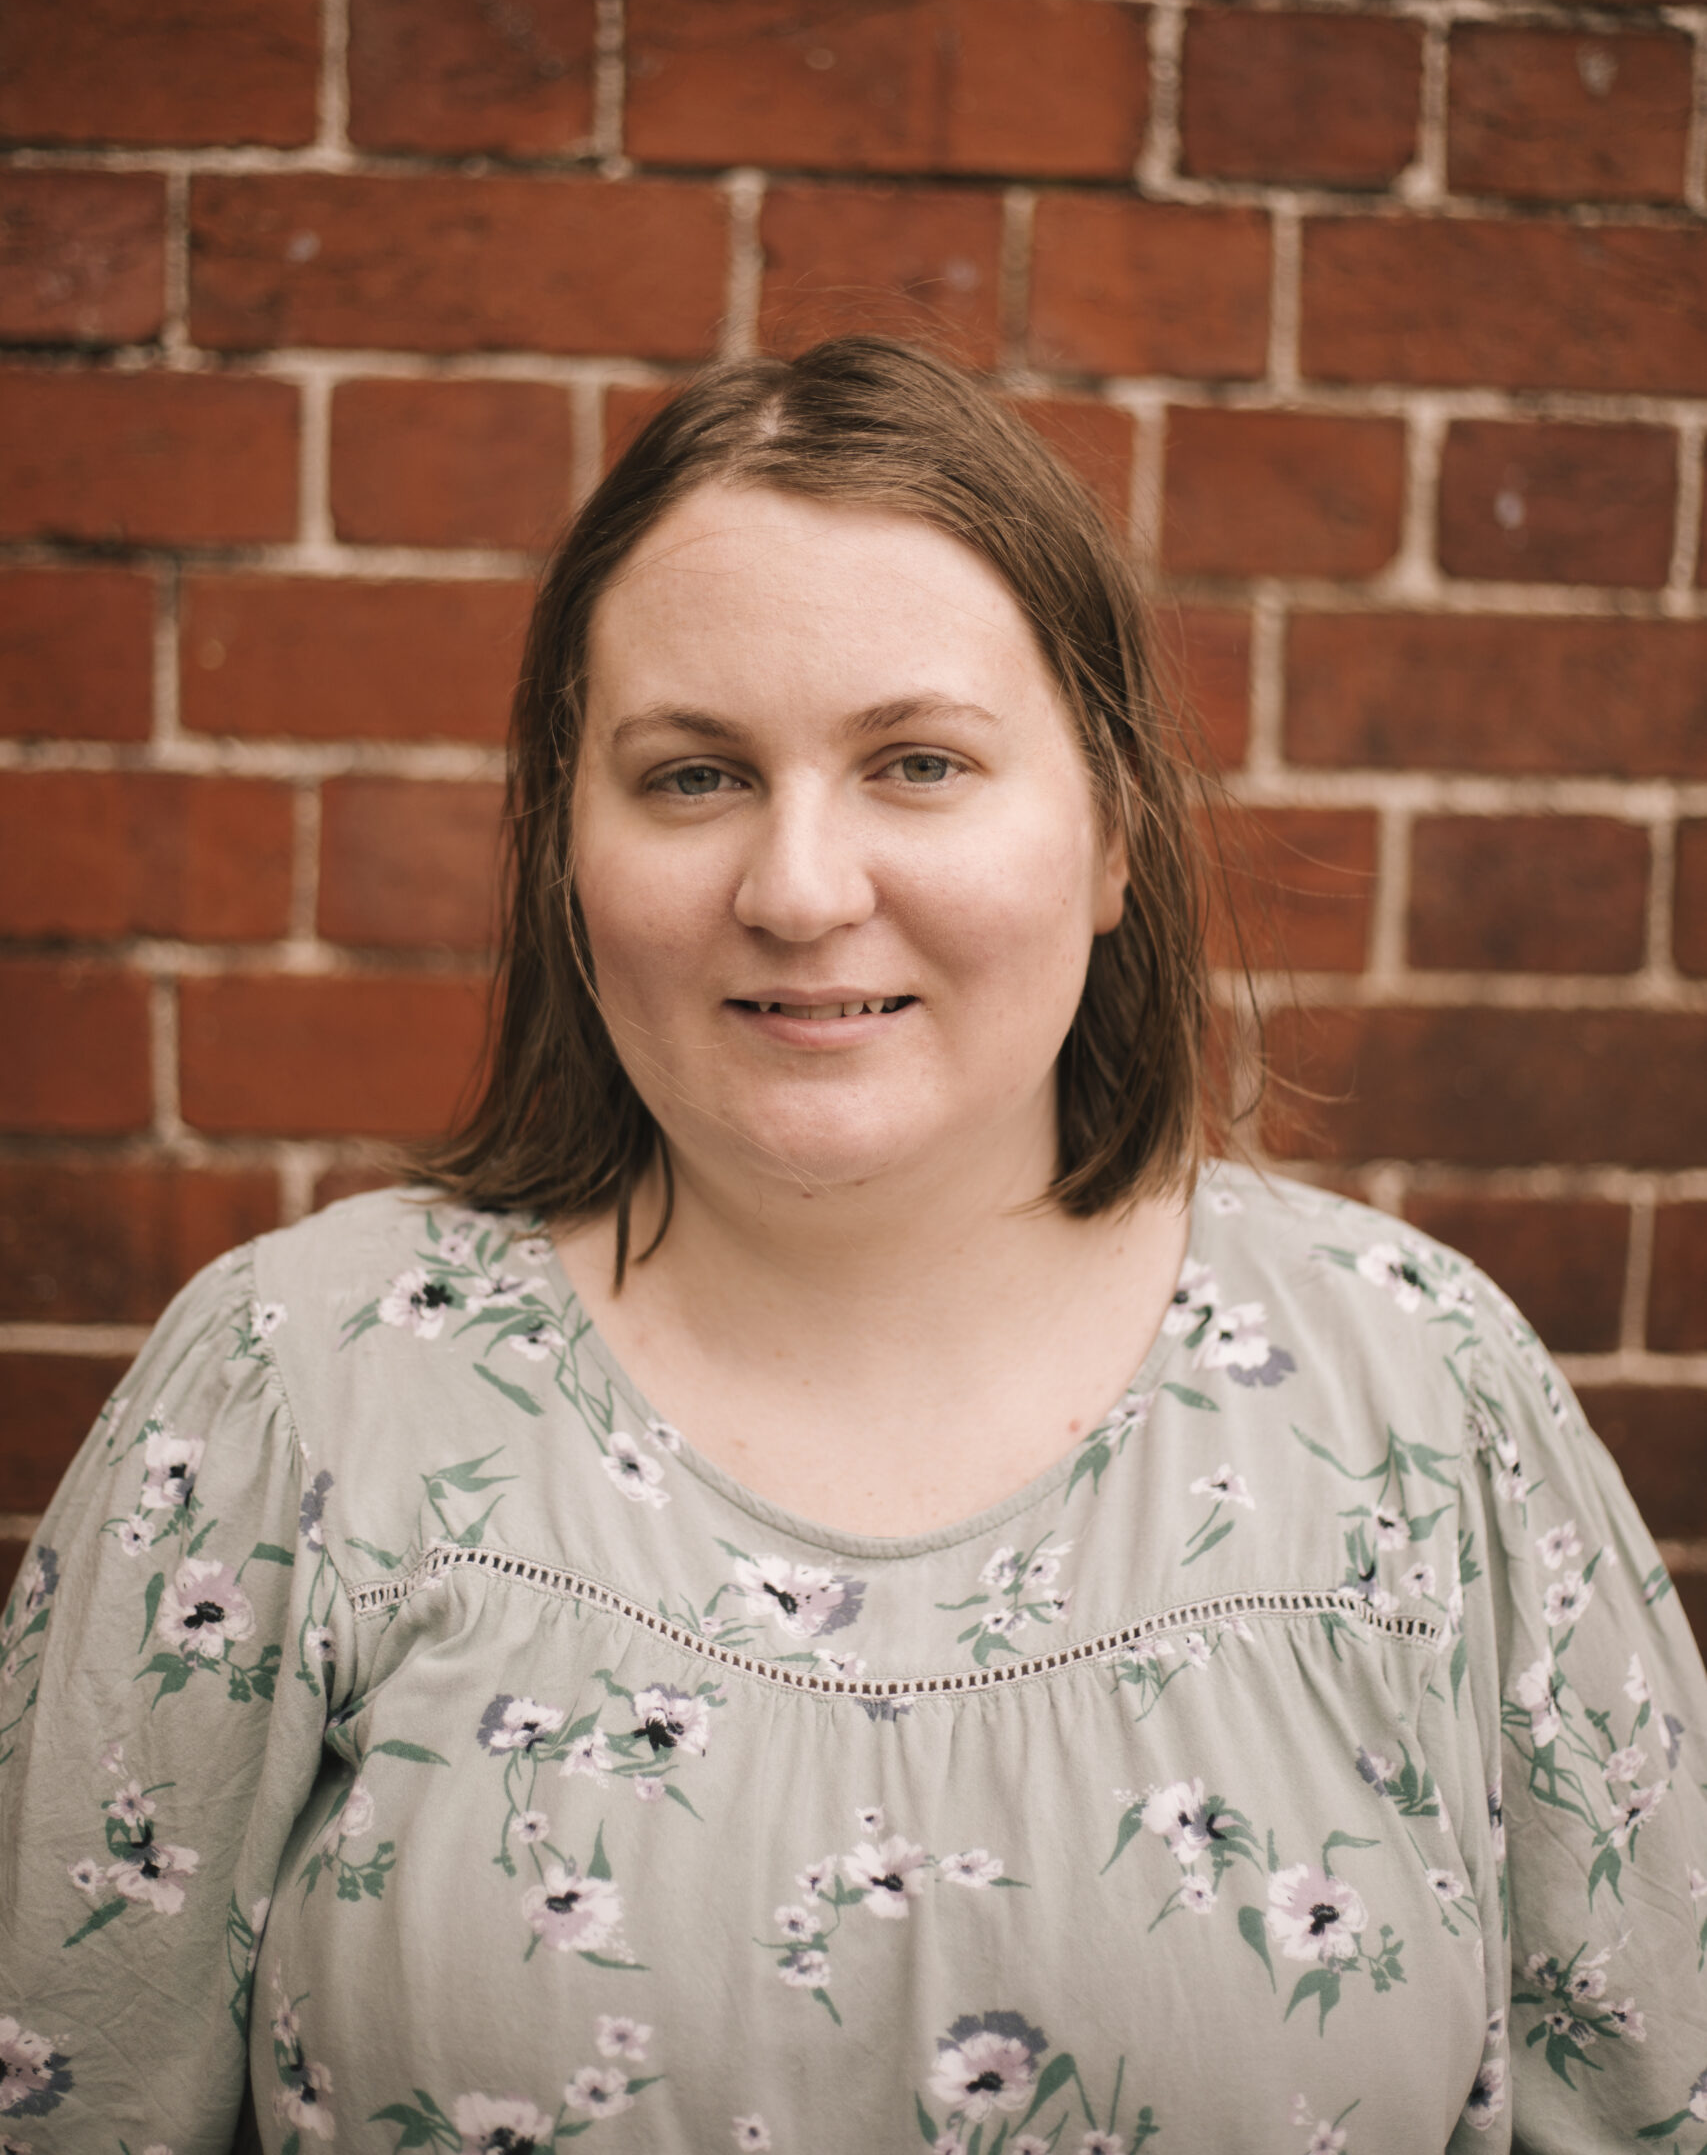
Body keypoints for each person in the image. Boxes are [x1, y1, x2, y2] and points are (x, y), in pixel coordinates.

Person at [2, 337, 1703, 2155]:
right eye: (692, 777)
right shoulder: (294, 1396)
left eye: (916, 762)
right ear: (565, 844)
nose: (801, 889)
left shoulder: (1421, 1400)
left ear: (1114, 832)